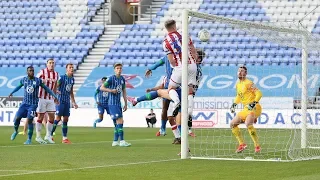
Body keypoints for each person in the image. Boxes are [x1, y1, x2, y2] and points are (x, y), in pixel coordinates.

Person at [9, 66, 58, 145]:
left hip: (33, 104)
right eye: (30, 71)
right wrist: (12, 92)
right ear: (27, 72)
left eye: (32, 71)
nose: (32, 72)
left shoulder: (38, 80)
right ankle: (15, 131)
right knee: (17, 118)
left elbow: (46, 88)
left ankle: (29, 139)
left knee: (29, 120)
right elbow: (18, 86)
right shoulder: (24, 80)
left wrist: (54, 95)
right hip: (24, 103)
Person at [162, 19, 198, 118]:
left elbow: (171, 61)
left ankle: (177, 102)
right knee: (190, 89)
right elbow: (194, 52)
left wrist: (176, 67)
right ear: (174, 27)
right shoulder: (185, 35)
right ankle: (190, 112)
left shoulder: (165, 42)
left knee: (171, 88)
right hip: (192, 65)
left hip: (180, 67)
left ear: (167, 29)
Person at [229, 66, 262, 153]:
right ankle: (242, 144)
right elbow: (239, 96)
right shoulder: (238, 84)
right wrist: (234, 104)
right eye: (239, 71)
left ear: (246, 73)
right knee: (232, 124)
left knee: (248, 124)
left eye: (242, 71)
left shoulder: (249, 83)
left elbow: (259, 94)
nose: (240, 72)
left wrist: (253, 103)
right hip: (246, 109)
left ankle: (257, 146)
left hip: (255, 107)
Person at [100, 63, 131, 147]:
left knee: (117, 123)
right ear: (114, 69)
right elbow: (102, 88)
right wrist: (111, 90)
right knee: (120, 121)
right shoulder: (111, 78)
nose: (119, 70)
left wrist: (125, 102)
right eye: (117, 68)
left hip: (118, 103)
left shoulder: (122, 79)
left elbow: (124, 91)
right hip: (112, 103)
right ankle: (122, 141)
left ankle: (115, 141)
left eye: (120, 68)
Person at [145, 56, 173, 136]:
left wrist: (150, 68)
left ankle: (185, 130)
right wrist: (150, 68)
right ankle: (163, 128)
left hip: (178, 84)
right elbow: (157, 64)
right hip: (169, 87)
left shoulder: (180, 55)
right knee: (165, 109)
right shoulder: (167, 57)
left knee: (178, 112)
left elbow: (157, 64)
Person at [51, 63, 78, 144]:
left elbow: (71, 92)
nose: (72, 69)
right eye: (70, 67)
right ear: (66, 69)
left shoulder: (72, 79)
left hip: (67, 101)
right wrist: (55, 93)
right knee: (58, 118)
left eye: (72, 67)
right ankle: (50, 135)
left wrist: (73, 102)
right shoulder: (62, 78)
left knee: (66, 119)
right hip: (60, 101)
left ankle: (65, 138)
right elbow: (55, 86)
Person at [35, 59, 59, 144]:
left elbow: (55, 86)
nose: (51, 64)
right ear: (47, 64)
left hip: (50, 98)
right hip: (41, 98)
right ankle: (38, 136)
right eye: (50, 63)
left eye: (53, 63)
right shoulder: (42, 72)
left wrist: (55, 97)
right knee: (40, 117)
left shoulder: (56, 74)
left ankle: (48, 135)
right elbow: (35, 82)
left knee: (52, 116)